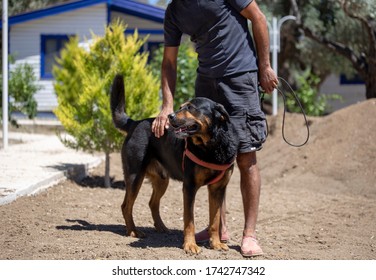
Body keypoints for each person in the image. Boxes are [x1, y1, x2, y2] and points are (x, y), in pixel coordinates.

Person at [151, 0, 278, 257]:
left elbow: (259, 18)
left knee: (245, 156)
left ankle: (249, 235)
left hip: (240, 77)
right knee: (207, 159)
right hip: (206, 82)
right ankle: (219, 229)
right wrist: (167, 104)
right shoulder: (174, 11)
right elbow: (169, 62)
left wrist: (264, 66)